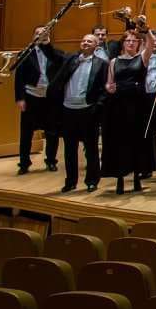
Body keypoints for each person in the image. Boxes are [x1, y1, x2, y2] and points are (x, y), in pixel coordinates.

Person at [48, 33, 107, 192]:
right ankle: (70, 181)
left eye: (90, 41)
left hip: (88, 111)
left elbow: (104, 89)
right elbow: (53, 55)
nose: (85, 43)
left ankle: (92, 180)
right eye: (84, 40)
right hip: (68, 111)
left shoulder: (101, 64)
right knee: (69, 149)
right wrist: (46, 42)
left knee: (91, 148)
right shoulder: (71, 59)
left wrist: (97, 106)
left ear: (96, 46)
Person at [102, 30, 151, 194]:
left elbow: (150, 44)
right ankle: (120, 178)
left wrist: (146, 31)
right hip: (118, 105)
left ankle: (137, 176)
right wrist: (109, 88)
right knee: (119, 141)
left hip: (137, 105)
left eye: (134, 40)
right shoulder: (114, 61)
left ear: (138, 43)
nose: (131, 43)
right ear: (123, 43)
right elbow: (109, 84)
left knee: (136, 140)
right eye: (128, 40)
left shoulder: (142, 58)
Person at [15, 26, 64, 175]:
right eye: (37, 33)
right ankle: (24, 163)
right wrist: (20, 98)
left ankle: (51, 161)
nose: (40, 35)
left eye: (43, 33)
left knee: (52, 132)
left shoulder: (55, 53)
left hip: (50, 99)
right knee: (26, 133)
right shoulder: (25, 54)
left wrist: (47, 44)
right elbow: (19, 78)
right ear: (33, 36)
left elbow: (59, 62)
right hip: (31, 97)